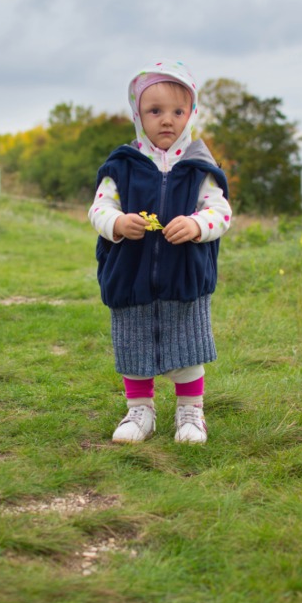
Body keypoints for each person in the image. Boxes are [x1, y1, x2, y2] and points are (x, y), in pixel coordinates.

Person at [88, 59, 232, 444]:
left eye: (177, 111)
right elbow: (99, 209)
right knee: (133, 347)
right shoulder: (123, 165)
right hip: (130, 275)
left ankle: (190, 413)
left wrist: (197, 225)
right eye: (155, 111)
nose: (167, 120)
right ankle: (140, 412)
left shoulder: (199, 166)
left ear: (191, 114)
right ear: (138, 115)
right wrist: (117, 224)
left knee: (187, 347)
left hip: (183, 276)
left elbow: (221, 212)